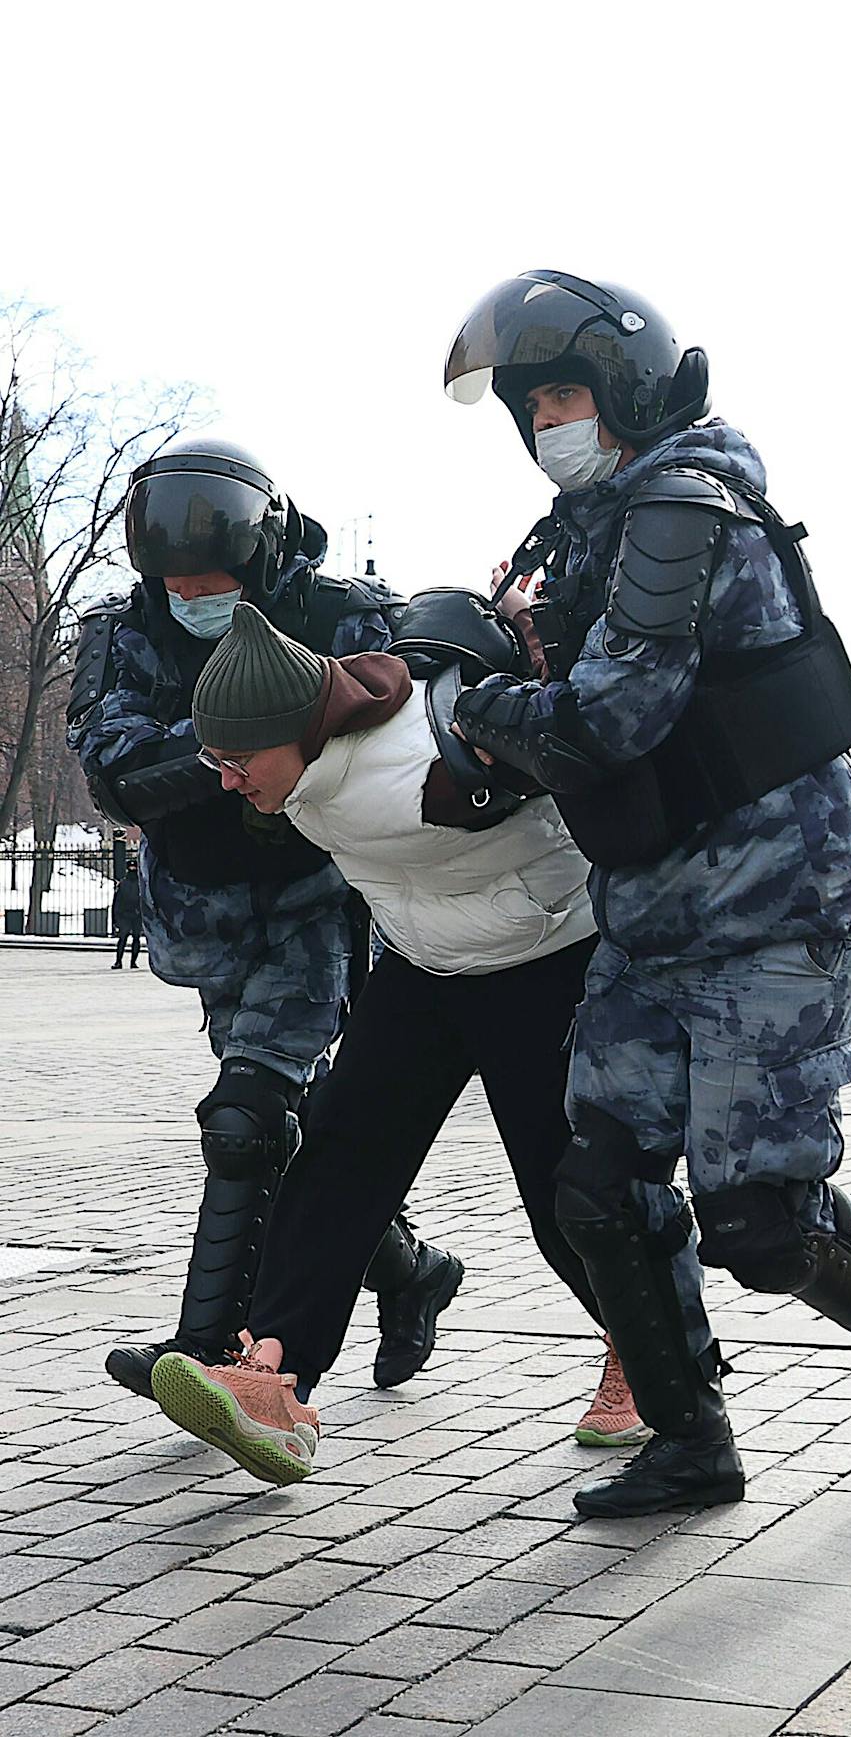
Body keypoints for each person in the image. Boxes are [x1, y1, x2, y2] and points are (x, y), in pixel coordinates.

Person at [442, 269, 851, 1518]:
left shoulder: (681, 506)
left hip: (772, 904)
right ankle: (690, 1439)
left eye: (563, 391)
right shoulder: (582, 528)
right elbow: (544, 677)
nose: (547, 420)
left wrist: (475, 708)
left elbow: (609, 716)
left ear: (624, 385)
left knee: (758, 1219)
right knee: (600, 1182)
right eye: (530, 403)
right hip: (650, 907)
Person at [147, 595, 647, 1482]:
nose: (226, 778)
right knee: (337, 1154)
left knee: (558, 1191)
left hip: (543, 965)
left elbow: (585, 742)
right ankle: (273, 1376)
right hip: (419, 966)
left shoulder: (426, 757)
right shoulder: (296, 770)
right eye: (212, 760)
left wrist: (547, 644)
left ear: (293, 729)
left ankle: (645, 1355)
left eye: (236, 758)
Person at [66, 439, 461, 1399]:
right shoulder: (119, 631)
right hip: (206, 908)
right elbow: (115, 773)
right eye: (174, 583)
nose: (191, 598)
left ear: (263, 559)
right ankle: (409, 1268)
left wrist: (210, 747)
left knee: (246, 1121)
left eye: (213, 582)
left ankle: (205, 1352)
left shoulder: (343, 613)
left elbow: (393, 721)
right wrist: (267, 722)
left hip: (319, 894)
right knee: (289, 1125)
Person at [110, 864, 142, 969]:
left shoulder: (140, 883)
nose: (133, 869)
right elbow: (117, 902)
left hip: (135, 915)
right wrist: (116, 917)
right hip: (126, 915)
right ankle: (119, 961)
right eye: (131, 868)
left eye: (134, 868)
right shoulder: (125, 884)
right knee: (123, 938)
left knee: (135, 938)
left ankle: (132, 962)